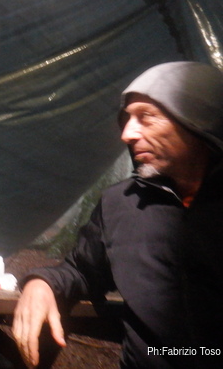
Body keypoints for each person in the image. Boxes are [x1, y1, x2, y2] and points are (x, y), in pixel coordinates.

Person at [12, 61, 223, 368]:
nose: (127, 134)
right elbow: (82, 270)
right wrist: (41, 283)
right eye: (126, 119)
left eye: (146, 117)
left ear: (196, 122)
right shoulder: (121, 204)